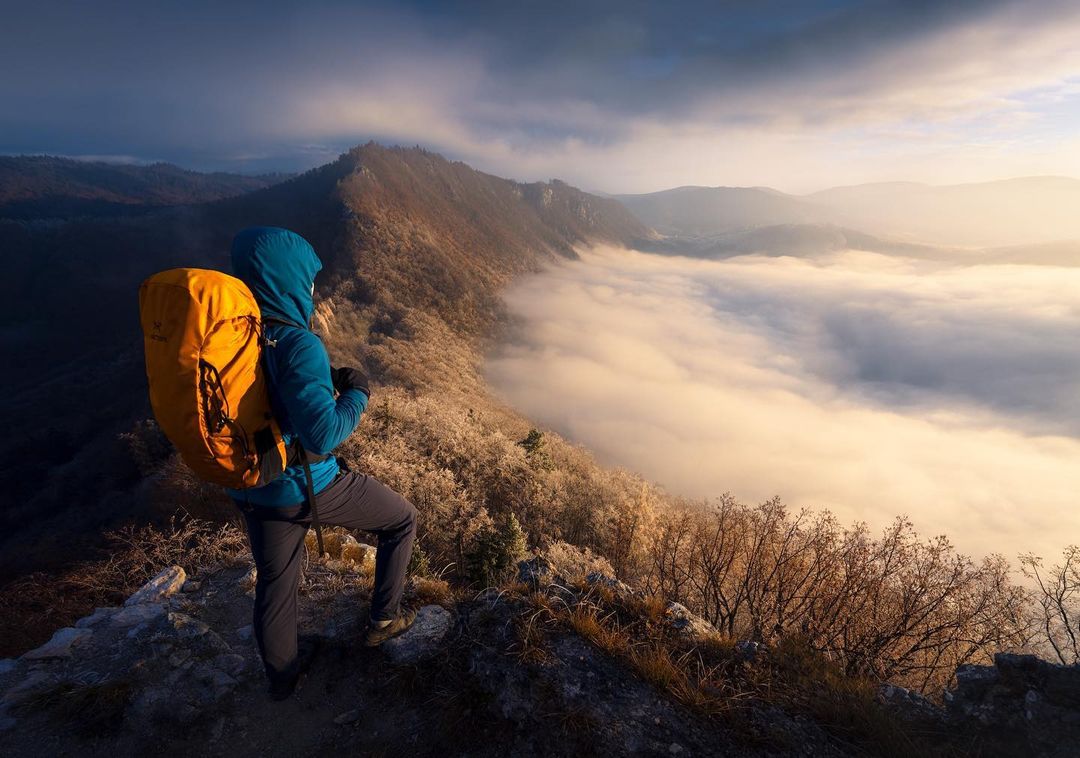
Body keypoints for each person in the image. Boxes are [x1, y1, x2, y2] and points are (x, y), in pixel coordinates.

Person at [226, 226, 418, 700]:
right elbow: (325, 432)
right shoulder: (297, 344)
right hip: (305, 483)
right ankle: (384, 620)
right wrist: (357, 393)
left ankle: (283, 678)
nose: (313, 291)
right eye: (309, 281)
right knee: (402, 520)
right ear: (290, 280)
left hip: (252, 485)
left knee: (275, 584)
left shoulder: (234, 339)